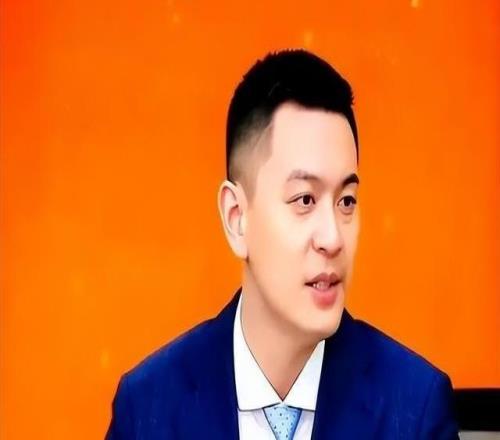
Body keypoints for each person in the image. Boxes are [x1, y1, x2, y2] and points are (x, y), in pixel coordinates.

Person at [105, 49, 459, 439]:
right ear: (237, 218)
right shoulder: (148, 410)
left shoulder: (414, 410)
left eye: (346, 202)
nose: (332, 238)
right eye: (305, 200)